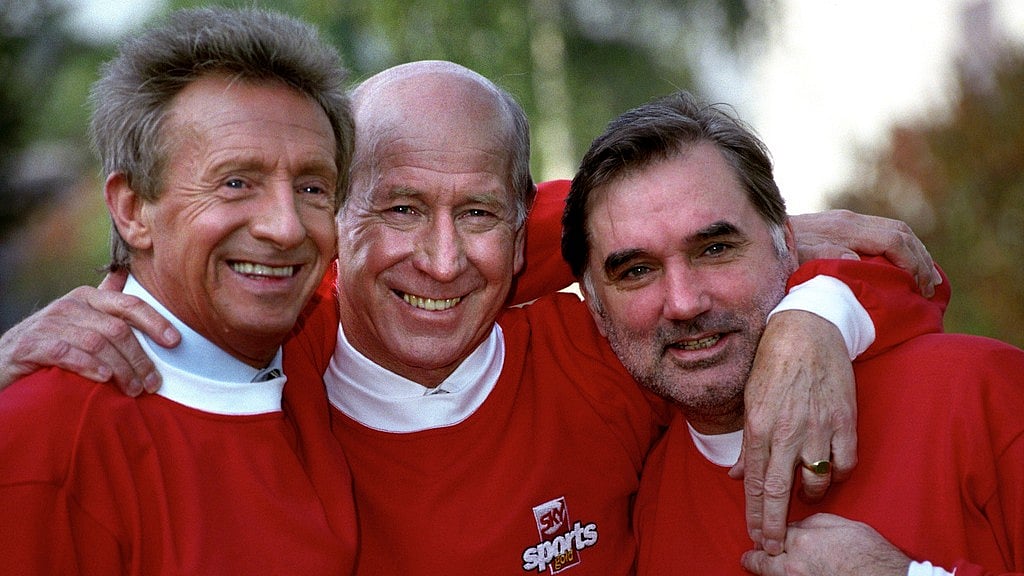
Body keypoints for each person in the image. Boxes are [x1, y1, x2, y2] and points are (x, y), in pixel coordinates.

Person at [0, 60, 942, 573]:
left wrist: (813, 305)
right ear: (337, 218)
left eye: (481, 215)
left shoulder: (601, 355)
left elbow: (905, 276)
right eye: (399, 209)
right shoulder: (274, 372)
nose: (443, 261)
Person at [559, 89, 1024, 575]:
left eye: (715, 249)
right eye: (636, 270)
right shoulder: (644, 501)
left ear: (787, 241)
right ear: (595, 306)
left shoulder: (979, 394)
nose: (683, 302)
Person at [0, 7, 357, 574]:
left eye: (314, 188)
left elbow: (466, 261)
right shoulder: (50, 444)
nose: (286, 227)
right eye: (236, 182)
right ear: (132, 208)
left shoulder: (322, 342)